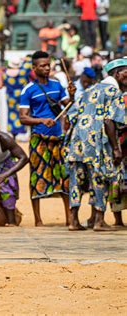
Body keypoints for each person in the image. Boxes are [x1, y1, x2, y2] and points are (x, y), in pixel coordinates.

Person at [65, 58, 125, 231]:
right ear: (117, 74)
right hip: (98, 141)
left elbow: (71, 115)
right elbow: (109, 121)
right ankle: (99, 221)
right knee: (100, 178)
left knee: (76, 180)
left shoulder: (89, 89)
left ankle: (73, 221)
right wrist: (115, 148)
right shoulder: (114, 92)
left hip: (78, 141)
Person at [19, 51, 76, 226]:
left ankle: (69, 218)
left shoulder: (58, 85)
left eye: (48, 65)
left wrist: (72, 95)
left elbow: (68, 106)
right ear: (34, 68)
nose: (46, 68)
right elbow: (23, 117)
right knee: (37, 176)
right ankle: (38, 220)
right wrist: (42, 120)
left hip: (58, 138)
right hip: (39, 138)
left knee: (64, 176)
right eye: (42, 65)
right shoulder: (28, 89)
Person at [0, 57, 28, 137]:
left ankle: (12, 131)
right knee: (21, 113)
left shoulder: (4, 73)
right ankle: (21, 131)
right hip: (21, 96)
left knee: (11, 113)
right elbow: (31, 63)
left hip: (10, 96)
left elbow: (0, 86)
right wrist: (25, 59)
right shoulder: (23, 72)